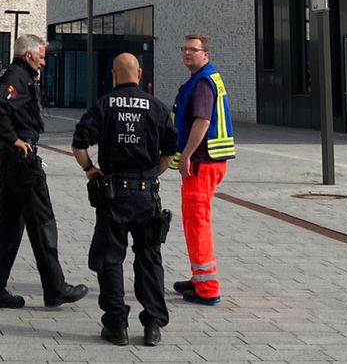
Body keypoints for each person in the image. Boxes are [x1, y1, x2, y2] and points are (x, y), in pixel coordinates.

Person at [72, 53, 177, 347]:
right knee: (149, 257)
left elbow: (79, 144)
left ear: (113, 74)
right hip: (146, 194)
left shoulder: (104, 105)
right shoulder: (157, 107)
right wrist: (151, 174)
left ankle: (117, 325)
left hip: (113, 193)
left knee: (110, 259)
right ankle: (153, 324)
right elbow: (171, 152)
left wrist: (90, 169)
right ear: (139, 73)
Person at [0, 34, 88, 309]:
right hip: (22, 161)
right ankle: (55, 287)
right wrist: (13, 139)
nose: (44, 61)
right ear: (28, 56)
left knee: (8, 226)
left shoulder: (19, 75)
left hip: (12, 161)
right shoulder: (16, 76)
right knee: (42, 222)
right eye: (41, 56)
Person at [172, 34, 235, 306]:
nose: (187, 53)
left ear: (205, 54)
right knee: (195, 221)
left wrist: (185, 156)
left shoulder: (201, 84)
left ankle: (207, 288)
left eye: (193, 50)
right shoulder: (206, 78)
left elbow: (202, 121)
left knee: (197, 223)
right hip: (209, 161)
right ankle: (198, 277)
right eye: (184, 49)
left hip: (201, 162)